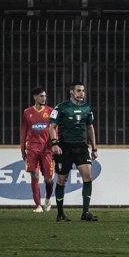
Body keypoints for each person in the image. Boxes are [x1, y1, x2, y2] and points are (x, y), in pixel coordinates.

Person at [48, 81, 99, 222]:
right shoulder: (61, 108)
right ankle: (60, 214)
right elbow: (52, 127)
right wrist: (54, 144)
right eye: (78, 90)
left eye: (83, 90)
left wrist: (94, 148)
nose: (81, 93)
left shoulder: (87, 109)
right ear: (72, 92)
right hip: (65, 148)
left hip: (81, 147)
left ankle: (86, 212)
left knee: (88, 177)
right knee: (62, 180)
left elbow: (90, 128)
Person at [21, 86, 55, 213]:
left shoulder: (51, 111)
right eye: (41, 96)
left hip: (46, 149)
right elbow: (24, 131)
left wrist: (54, 146)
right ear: (35, 97)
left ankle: (47, 198)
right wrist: (22, 148)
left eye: (45, 96)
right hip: (32, 148)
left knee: (49, 180)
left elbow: (55, 129)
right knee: (34, 175)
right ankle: (38, 206)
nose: (44, 98)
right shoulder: (27, 112)